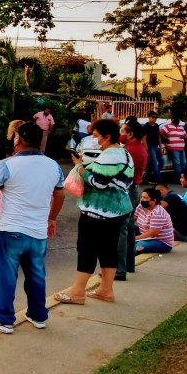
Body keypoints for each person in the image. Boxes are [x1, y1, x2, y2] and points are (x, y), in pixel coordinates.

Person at [0, 122, 64, 334]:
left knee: (7, 277)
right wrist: (51, 219)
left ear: (18, 139)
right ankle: (38, 315)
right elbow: (60, 195)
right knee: (37, 275)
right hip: (38, 231)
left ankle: (3, 319)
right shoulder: (53, 166)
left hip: (12, 230)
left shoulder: (5, 165)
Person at [54, 119, 133, 305]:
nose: (95, 140)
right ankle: (106, 290)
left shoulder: (111, 155)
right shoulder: (123, 153)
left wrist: (81, 168)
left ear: (107, 137)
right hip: (116, 210)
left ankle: (77, 292)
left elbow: (98, 182)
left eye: (97, 136)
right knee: (108, 249)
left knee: (87, 249)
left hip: (99, 211)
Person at [116, 119, 147, 281]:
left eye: (123, 131)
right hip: (134, 190)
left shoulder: (129, 151)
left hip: (127, 191)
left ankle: (119, 269)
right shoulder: (139, 148)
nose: (120, 134)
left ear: (130, 134)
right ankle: (128, 264)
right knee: (128, 227)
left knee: (121, 230)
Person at [133, 188, 175, 254]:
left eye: (145, 198)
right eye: (141, 197)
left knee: (135, 247)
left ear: (154, 200)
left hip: (160, 241)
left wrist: (134, 238)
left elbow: (152, 234)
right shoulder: (141, 206)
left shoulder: (158, 213)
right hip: (144, 233)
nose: (142, 199)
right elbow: (133, 218)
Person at [144, 111, 164, 184]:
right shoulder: (146, 126)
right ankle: (158, 179)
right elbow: (144, 138)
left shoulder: (156, 126)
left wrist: (160, 147)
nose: (154, 119)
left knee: (162, 161)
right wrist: (146, 149)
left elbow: (158, 136)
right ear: (149, 117)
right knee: (154, 162)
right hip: (150, 145)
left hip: (156, 146)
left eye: (156, 117)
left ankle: (155, 175)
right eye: (153, 117)